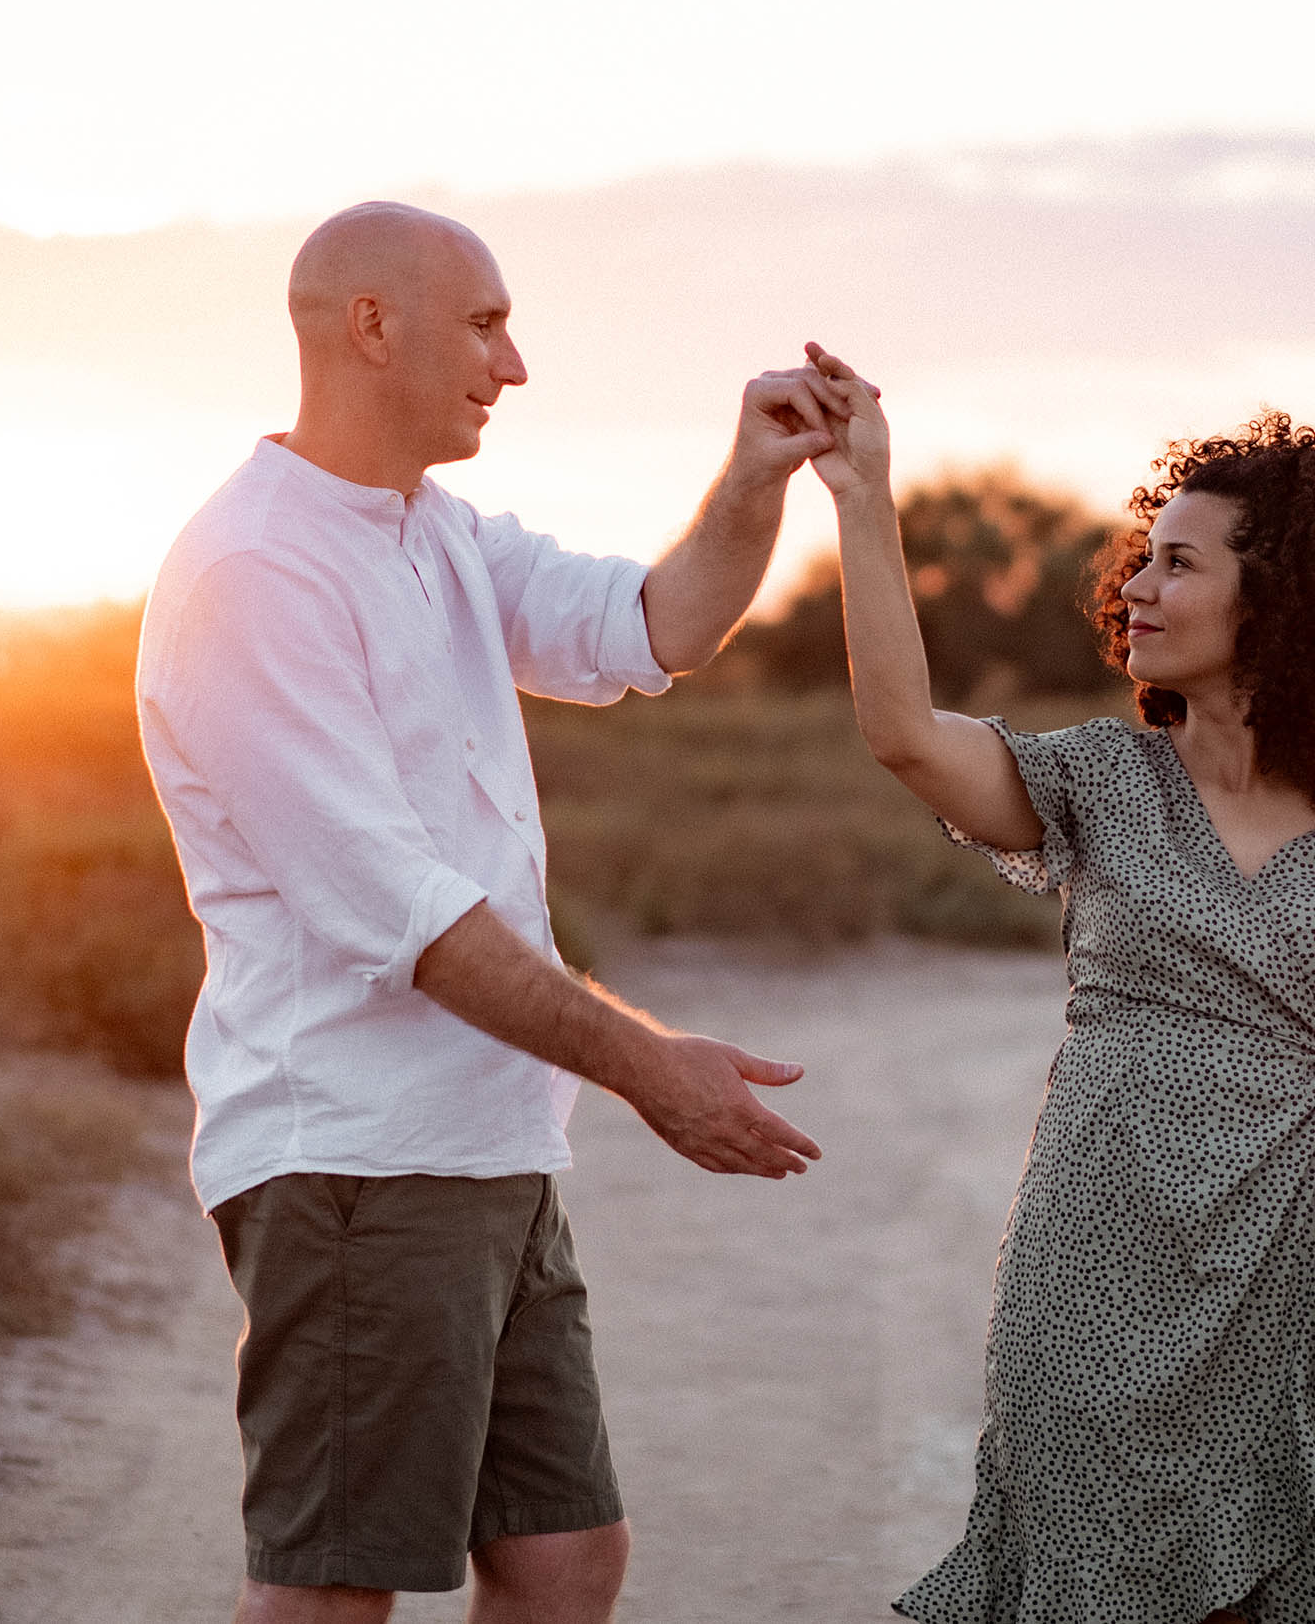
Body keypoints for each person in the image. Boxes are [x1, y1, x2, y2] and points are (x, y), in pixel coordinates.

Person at [135, 203, 847, 1624]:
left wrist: (759, 474)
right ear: (369, 326)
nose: (512, 364)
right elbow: (415, 922)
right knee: (333, 1586)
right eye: (485, 323)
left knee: (564, 1558)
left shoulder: (432, 530)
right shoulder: (253, 572)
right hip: (353, 1157)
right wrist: (658, 1071)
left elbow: (657, 622)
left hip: (487, 1146)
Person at [799, 346, 1315, 1624]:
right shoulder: (1096, 782)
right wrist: (862, 495)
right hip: (1096, 1248)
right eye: (1144, 554)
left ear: (1280, 605)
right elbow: (903, 731)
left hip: (1303, 1271)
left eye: (1180, 562)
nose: (1135, 584)